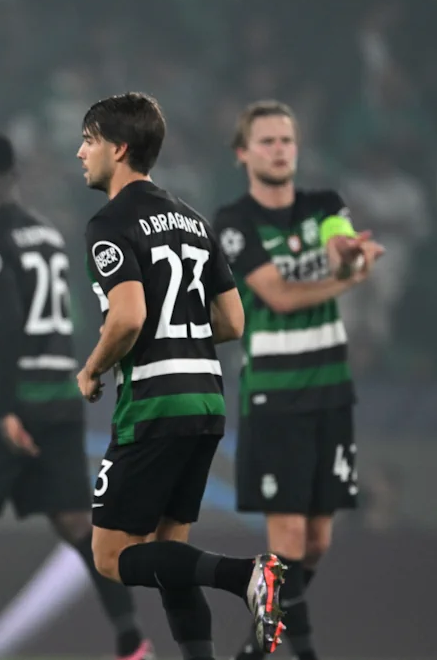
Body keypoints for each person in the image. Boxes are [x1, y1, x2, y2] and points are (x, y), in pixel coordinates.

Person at [0, 134, 150, 660]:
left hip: (12, 399)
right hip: (58, 393)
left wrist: (1, 410)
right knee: (76, 524)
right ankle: (133, 640)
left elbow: (7, 324)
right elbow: (41, 328)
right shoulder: (46, 235)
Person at [74, 92, 287, 659]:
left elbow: (128, 316)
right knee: (171, 558)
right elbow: (233, 321)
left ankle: (245, 574)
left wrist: (93, 368)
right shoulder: (192, 219)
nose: (80, 152)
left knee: (113, 558)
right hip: (207, 402)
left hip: (154, 404)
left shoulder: (110, 222)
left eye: (90, 140)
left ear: (119, 149)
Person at [212, 100, 384, 660]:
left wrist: (351, 258)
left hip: (331, 390)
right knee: (285, 543)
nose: (278, 149)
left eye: (286, 140)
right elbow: (279, 296)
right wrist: (348, 284)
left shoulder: (324, 204)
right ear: (243, 153)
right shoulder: (235, 223)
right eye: (265, 141)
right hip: (275, 396)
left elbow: (339, 246)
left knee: (316, 543)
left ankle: (254, 650)